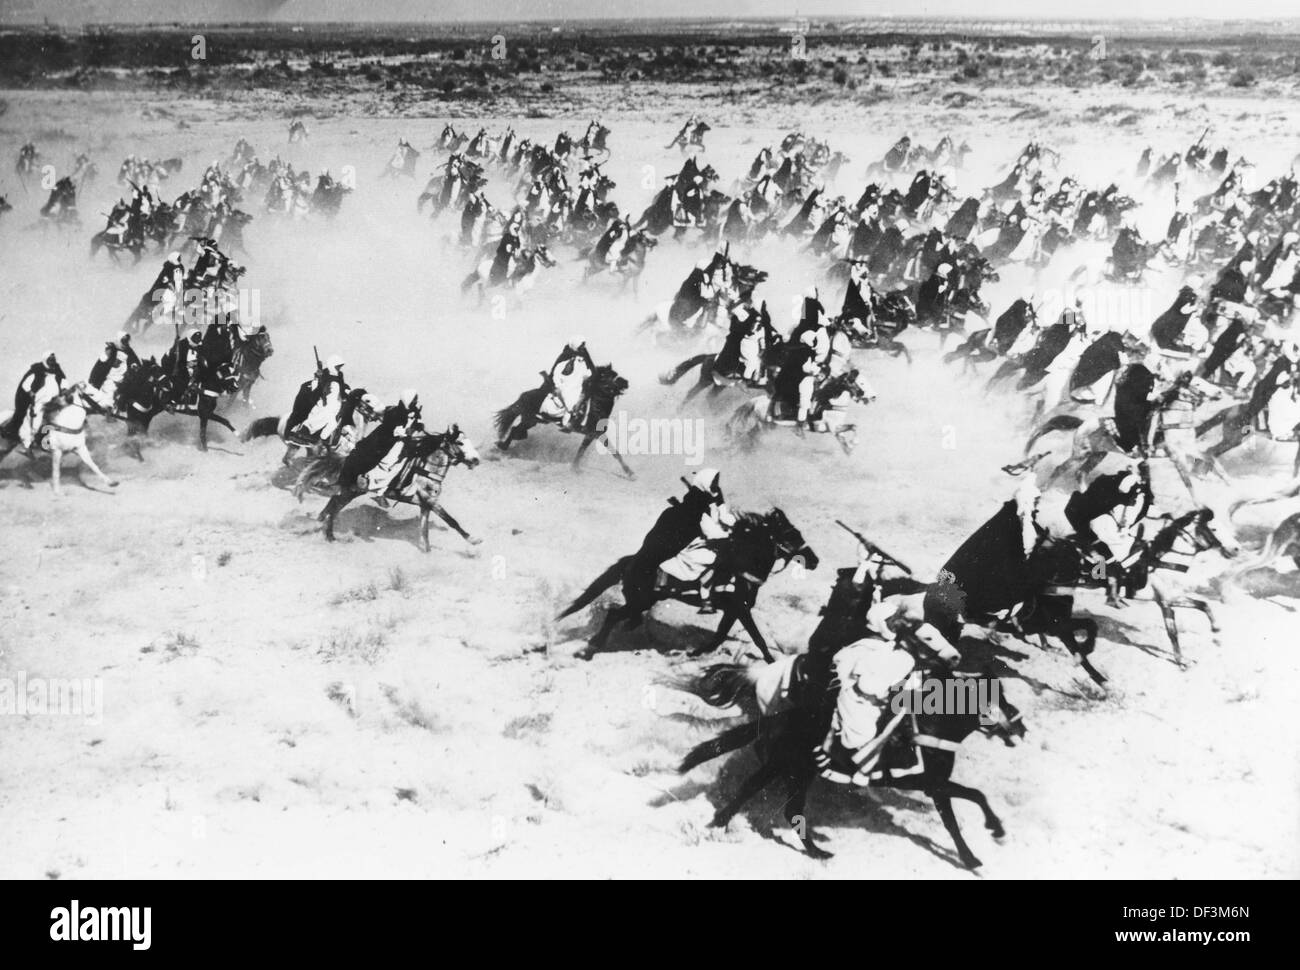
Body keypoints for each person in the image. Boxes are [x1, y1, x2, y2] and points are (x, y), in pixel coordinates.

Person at [1065, 463, 1153, 606]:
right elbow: (1120, 497)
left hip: (1116, 523)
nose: (1146, 476)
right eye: (1144, 473)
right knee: (1111, 553)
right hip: (1100, 520)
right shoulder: (1129, 482)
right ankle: (1103, 583)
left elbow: (1140, 506)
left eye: (1146, 474)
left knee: (1131, 550)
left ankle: (1125, 587)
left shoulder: (1141, 487)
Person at [655, 468, 734, 612]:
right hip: (699, 533)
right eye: (713, 480)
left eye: (716, 479)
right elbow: (700, 520)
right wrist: (718, 533)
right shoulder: (697, 495)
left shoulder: (716, 491)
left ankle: (712, 592)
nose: (715, 482)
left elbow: (722, 511)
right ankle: (705, 599)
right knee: (707, 560)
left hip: (715, 528)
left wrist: (729, 523)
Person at [4, 352, 65, 450]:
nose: (52, 362)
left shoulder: (57, 371)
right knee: (34, 421)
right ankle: (24, 440)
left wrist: (64, 390)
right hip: (39, 402)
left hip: (53, 402)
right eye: (50, 360)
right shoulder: (37, 370)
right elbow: (26, 384)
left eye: (53, 360)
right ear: (45, 360)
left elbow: (63, 382)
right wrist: (31, 393)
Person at [538, 338, 594, 431]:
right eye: (581, 346)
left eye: (583, 346)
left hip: (576, 383)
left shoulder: (583, 355)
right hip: (562, 382)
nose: (583, 348)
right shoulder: (565, 355)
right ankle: (567, 422)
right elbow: (556, 371)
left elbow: (590, 369)